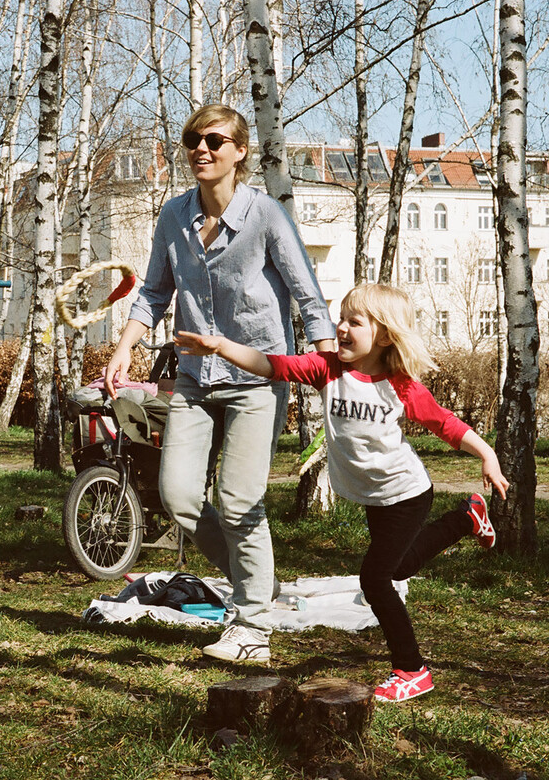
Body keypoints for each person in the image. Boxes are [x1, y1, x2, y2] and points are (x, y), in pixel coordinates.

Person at [175, 283, 508, 700]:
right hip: (373, 497)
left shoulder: (402, 386)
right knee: (399, 567)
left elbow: (446, 425)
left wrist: (487, 453)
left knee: (375, 578)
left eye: (355, 321)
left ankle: (412, 670)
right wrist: (221, 346)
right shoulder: (328, 369)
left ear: (383, 334)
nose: (342, 327)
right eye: (341, 318)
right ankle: (466, 517)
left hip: (406, 493)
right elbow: (271, 365)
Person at [104, 104, 335, 664]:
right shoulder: (173, 215)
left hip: (257, 375)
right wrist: (125, 345)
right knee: (178, 494)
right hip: (195, 377)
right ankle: (255, 580)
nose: (200, 149)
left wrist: (330, 365)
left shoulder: (266, 216)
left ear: (239, 152)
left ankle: (252, 625)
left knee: (237, 498)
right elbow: (154, 292)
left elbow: (307, 294)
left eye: (214, 140)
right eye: (192, 140)